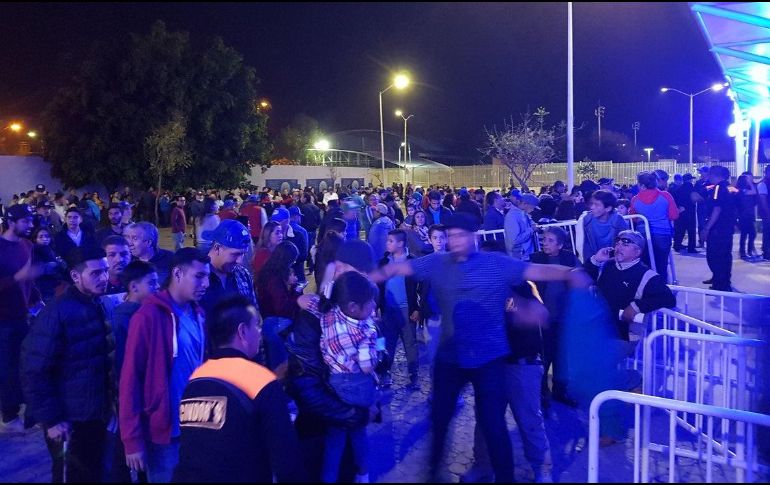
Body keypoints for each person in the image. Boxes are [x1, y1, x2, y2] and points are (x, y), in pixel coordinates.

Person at [369, 212, 587, 482]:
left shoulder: (496, 264)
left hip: (489, 357)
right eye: (451, 236)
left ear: (474, 236)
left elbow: (535, 270)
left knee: (493, 425)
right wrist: (365, 276)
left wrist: (570, 272)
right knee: (440, 420)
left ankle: (505, 477)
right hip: (451, 355)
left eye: (460, 235)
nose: (455, 241)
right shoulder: (438, 262)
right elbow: (398, 269)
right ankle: (434, 474)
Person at [173, 296, 307, 483]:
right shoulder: (259, 380)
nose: (260, 333)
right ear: (243, 331)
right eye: (257, 327)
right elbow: (286, 462)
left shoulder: (195, 379)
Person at [21, 247, 111, 483]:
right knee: (68, 475)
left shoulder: (96, 304)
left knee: (91, 472)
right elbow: (34, 370)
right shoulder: (58, 313)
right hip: (67, 420)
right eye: (96, 273)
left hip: (93, 413)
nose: (103, 278)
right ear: (75, 276)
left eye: (105, 272)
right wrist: (51, 419)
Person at [119, 248, 210, 482]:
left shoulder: (197, 313)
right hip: (164, 430)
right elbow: (131, 379)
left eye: (207, 276)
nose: (206, 283)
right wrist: (132, 440)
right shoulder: (148, 316)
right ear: (178, 274)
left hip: (197, 425)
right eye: (199, 276)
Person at [315, 272, 379, 483]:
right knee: (359, 432)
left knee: (334, 440)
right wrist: (378, 354)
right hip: (357, 385)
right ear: (353, 307)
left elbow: (316, 302)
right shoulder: (365, 329)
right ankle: (363, 476)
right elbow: (367, 366)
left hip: (333, 385)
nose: (373, 306)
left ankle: (328, 479)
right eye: (370, 303)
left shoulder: (328, 314)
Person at [0, 204, 43, 432]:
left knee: (26, 364)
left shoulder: (27, 245)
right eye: (25, 221)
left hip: (23, 315)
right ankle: (9, 416)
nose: (31, 225)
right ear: (11, 222)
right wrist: (18, 277)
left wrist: (35, 298)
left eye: (31, 220)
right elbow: (20, 276)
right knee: (6, 367)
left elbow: (29, 280)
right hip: (3, 319)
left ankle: (30, 413)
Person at [529, 227, 579, 408]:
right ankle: (541, 393)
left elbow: (580, 279)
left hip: (563, 317)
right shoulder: (536, 259)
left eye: (550, 240)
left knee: (562, 357)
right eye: (544, 240)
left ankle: (560, 391)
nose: (545, 243)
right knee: (543, 357)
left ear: (560, 244)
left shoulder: (569, 258)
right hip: (542, 319)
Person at [377, 229, 421, 390]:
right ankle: (385, 373)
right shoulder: (384, 262)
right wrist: (377, 307)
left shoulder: (412, 262)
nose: (387, 243)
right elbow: (378, 286)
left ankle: (413, 374)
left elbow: (418, 288)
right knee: (388, 343)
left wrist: (417, 309)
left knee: (410, 343)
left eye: (390, 241)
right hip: (389, 310)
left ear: (401, 243)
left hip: (406, 309)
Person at [256, 241, 301, 373]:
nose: (293, 264)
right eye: (292, 261)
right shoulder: (274, 278)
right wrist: (297, 294)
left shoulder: (268, 272)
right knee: (280, 368)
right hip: (277, 324)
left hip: (271, 321)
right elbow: (281, 306)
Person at [198, 219, 258, 316]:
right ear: (217, 248)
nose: (240, 261)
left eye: (243, 254)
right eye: (235, 254)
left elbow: (253, 310)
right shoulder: (197, 276)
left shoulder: (243, 275)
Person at [629, 171, 679, 280]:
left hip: (643, 235)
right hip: (663, 234)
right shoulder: (665, 196)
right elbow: (674, 215)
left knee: (645, 265)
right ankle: (662, 290)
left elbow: (634, 218)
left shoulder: (635, 199)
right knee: (661, 265)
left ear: (641, 185)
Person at [700, 166, 737, 291]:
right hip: (727, 227)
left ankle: (720, 284)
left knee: (714, 256)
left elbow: (717, 208)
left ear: (714, 175)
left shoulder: (718, 188)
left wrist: (707, 228)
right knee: (725, 255)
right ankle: (721, 279)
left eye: (709, 174)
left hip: (718, 228)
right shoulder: (729, 187)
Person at [578, 190, 628, 263]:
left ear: (608, 208)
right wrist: (590, 263)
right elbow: (585, 245)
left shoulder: (618, 220)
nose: (592, 207)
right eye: (592, 204)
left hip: (614, 260)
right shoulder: (586, 220)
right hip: (594, 259)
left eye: (597, 205)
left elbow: (625, 242)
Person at [31, 226, 66, 304]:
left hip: (57, 286)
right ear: (35, 239)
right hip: (45, 288)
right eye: (41, 237)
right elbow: (46, 269)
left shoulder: (51, 250)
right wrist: (58, 264)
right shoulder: (34, 252)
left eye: (47, 236)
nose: (44, 239)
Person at [504, 193, 538, 260]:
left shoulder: (523, 214)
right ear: (525, 204)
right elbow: (515, 240)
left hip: (526, 255)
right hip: (520, 257)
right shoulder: (512, 216)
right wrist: (531, 230)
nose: (533, 210)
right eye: (532, 207)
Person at [672, 174, 698, 253]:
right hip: (690, 211)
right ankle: (691, 248)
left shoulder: (678, 189)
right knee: (691, 231)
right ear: (690, 180)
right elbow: (694, 198)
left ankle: (677, 245)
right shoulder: (691, 188)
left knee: (680, 230)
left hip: (681, 211)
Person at [736, 173, 759, 260]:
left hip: (747, 215)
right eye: (747, 180)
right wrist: (750, 183)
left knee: (750, 233)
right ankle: (743, 252)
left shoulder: (742, 190)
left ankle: (747, 251)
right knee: (746, 234)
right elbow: (754, 191)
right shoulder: (742, 191)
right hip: (744, 216)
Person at [758, 164, 770, 261]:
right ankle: (766, 252)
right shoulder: (763, 184)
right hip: (767, 213)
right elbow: (763, 200)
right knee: (767, 232)